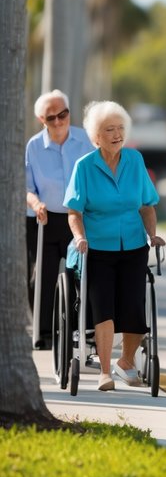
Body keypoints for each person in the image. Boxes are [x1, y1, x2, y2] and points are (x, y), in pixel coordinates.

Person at [64, 101, 165, 391]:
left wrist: (153, 234)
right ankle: (105, 372)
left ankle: (126, 361)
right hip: (96, 249)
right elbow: (74, 212)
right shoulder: (84, 167)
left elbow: (147, 206)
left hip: (133, 245)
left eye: (121, 128)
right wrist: (80, 237)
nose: (117, 134)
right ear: (96, 137)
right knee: (103, 306)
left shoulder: (134, 161)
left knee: (134, 305)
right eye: (109, 129)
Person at [25, 90, 93, 347]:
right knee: (40, 275)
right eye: (50, 118)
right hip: (45, 220)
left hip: (79, 218)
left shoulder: (85, 139)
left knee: (82, 272)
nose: (58, 121)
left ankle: (79, 330)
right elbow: (27, 187)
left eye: (62, 114)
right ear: (42, 120)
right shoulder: (33, 146)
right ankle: (43, 333)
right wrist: (36, 203)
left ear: (68, 112)